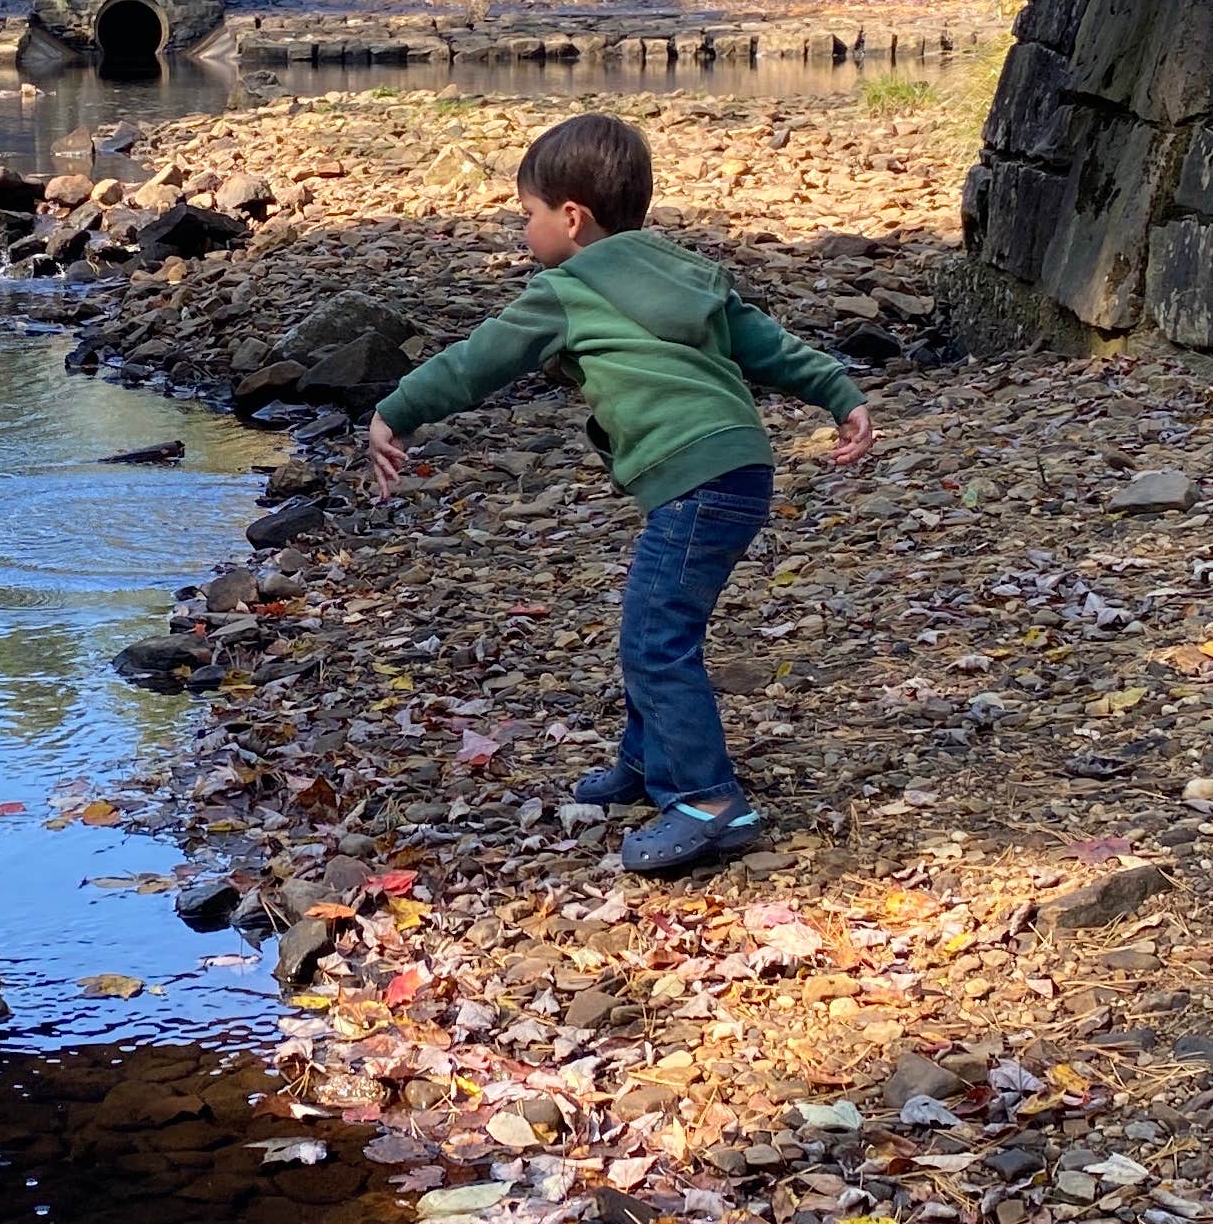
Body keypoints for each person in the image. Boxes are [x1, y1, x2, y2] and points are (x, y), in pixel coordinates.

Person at [363, 113, 874, 876]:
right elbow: (766, 345)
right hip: (739, 467)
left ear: (572, 217)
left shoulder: (566, 291)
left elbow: (478, 361)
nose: (523, 232)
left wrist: (396, 410)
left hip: (694, 477)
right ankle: (646, 765)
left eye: (526, 216)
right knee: (656, 623)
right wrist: (840, 393)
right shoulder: (686, 271)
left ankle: (707, 800)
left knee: (655, 638)